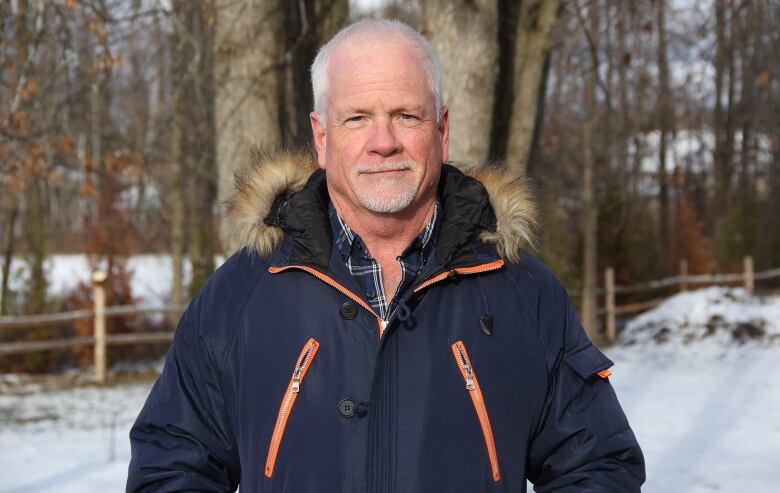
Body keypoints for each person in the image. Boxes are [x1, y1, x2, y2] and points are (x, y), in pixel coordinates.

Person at [127, 19, 644, 492]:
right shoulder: (240, 294)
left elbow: (597, 465)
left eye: (406, 115)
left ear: (440, 132)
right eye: (356, 118)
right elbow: (170, 466)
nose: (383, 142)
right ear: (322, 137)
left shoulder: (523, 294)